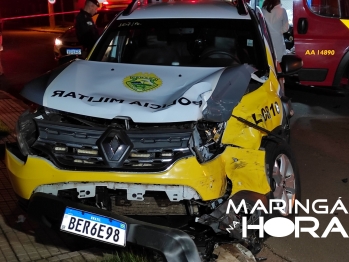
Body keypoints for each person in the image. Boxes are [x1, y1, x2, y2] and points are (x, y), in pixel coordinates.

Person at [262, 0, 289, 95]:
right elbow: (286, 28)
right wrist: (278, 31)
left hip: (266, 41)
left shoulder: (263, 10)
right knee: (279, 67)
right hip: (278, 42)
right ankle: (281, 91)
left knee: (270, 65)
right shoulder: (282, 10)